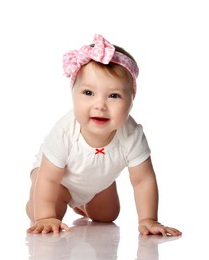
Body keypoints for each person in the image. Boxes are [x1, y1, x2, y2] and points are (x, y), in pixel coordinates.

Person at [26, 34, 182, 236]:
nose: (100, 105)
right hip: (57, 181)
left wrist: (148, 219)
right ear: (73, 94)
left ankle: (85, 199)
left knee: (108, 216)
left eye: (114, 96)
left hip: (97, 180)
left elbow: (143, 180)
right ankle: (39, 205)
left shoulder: (132, 134)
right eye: (88, 93)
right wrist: (44, 217)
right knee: (50, 211)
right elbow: (48, 178)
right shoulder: (65, 131)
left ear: (131, 101)